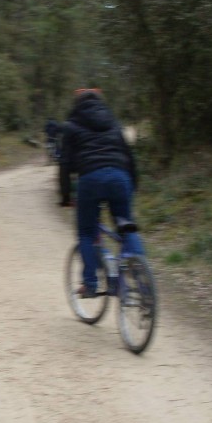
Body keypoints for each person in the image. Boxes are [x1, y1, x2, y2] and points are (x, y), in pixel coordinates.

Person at [58, 88, 145, 298]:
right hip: (120, 177)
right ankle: (141, 276)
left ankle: (90, 283)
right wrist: (132, 185)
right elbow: (129, 156)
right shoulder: (114, 123)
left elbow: (65, 164)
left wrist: (65, 196)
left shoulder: (71, 126)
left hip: (91, 179)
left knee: (87, 233)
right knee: (126, 226)